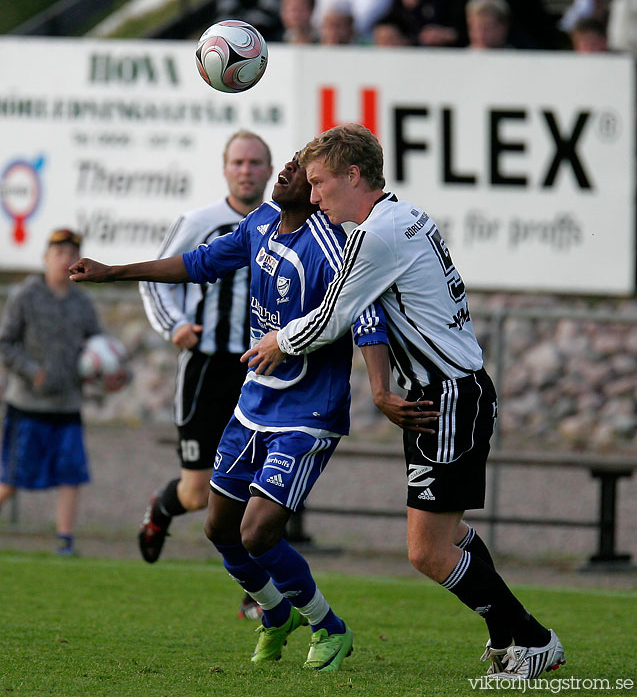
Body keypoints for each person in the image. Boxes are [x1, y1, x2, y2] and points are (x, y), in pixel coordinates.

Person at [242, 123, 566, 682]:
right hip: (441, 393)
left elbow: (335, 315)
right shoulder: (404, 216)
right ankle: (508, 636)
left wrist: (279, 340)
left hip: (448, 396)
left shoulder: (378, 235)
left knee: (427, 552)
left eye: (320, 183)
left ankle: (535, 639)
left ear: (354, 175)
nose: (314, 195)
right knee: (451, 536)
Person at [68, 153, 397, 672]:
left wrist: (380, 389)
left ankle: (327, 625)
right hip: (254, 403)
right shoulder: (260, 223)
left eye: (299, 169)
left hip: (308, 411)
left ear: (315, 191)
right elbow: (197, 264)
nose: (287, 171)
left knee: (257, 532)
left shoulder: (333, 248)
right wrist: (114, 271)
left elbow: (368, 314)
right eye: (288, 164)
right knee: (218, 528)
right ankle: (274, 613)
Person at [138, 130, 273, 620]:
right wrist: (175, 326)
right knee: (198, 493)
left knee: (259, 489)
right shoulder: (200, 222)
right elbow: (156, 276)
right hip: (205, 369)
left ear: (268, 170)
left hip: (260, 370)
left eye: (256, 162)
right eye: (238, 162)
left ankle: (257, 593)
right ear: (225, 168)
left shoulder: (281, 224)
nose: (247, 170)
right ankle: (162, 506)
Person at [0, 229, 101, 556]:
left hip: (68, 404)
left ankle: (65, 542)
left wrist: (110, 373)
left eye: (71, 253)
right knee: (11, 478)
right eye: (58, 253)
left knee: (71, 475)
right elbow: (6, 343)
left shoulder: (82, 301)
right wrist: (33, 372)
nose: (64, 260)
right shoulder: (25, 295)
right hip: (27, 404)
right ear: (45, 257)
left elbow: (99, 346)